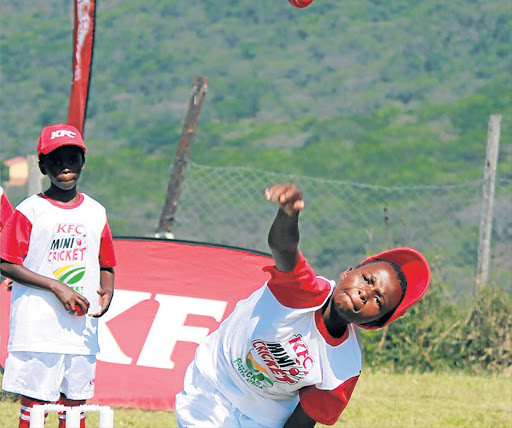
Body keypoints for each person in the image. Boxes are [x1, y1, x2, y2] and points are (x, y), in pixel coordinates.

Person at [175, 183, 430, 427]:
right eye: (367, 279)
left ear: (374, 323)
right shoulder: (302, 293)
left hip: (262, 419)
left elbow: (305, 419)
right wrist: (288, 214)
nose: (365, 293)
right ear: (347, 272)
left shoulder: (344, 367)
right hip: (215, 380)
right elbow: (283, 248)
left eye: (378, 300)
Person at [0, 124, 116, 428]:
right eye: (55, 160)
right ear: (42, 166)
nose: (65, 167)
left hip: (80, 330)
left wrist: (107, 291)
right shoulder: (29, 210)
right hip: (38, 327)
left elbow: (107, 263)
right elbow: (6, 262)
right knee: (36, 403)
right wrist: (56, 287)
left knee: (75, 403)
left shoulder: (96, 212)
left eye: (72, 159)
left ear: (82, 162)